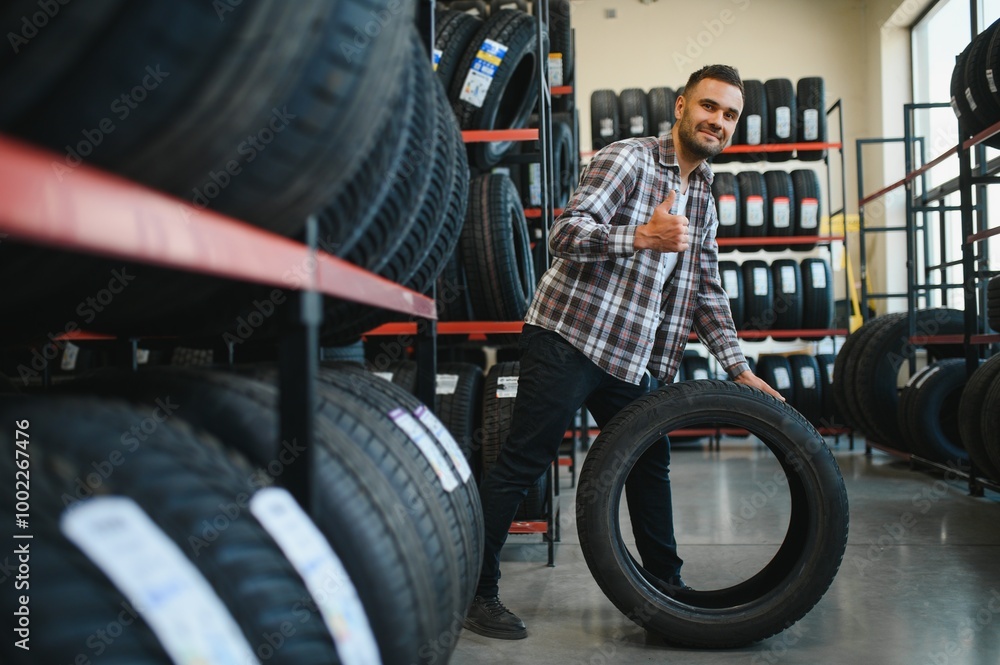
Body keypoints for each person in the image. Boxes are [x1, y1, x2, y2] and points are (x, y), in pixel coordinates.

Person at [462, 64, 785, 641]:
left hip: (631, 357)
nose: (717, 120)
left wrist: (738, 368)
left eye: (730, 114)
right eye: (708, 106)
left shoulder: (705, 195)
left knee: (649, 465)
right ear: (682, 106)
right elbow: (565, 233)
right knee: (523, 462)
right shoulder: (629, 158)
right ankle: (476, 592)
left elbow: (706, 290)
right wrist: (640, 236)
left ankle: (667, 594)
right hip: (568, 337)